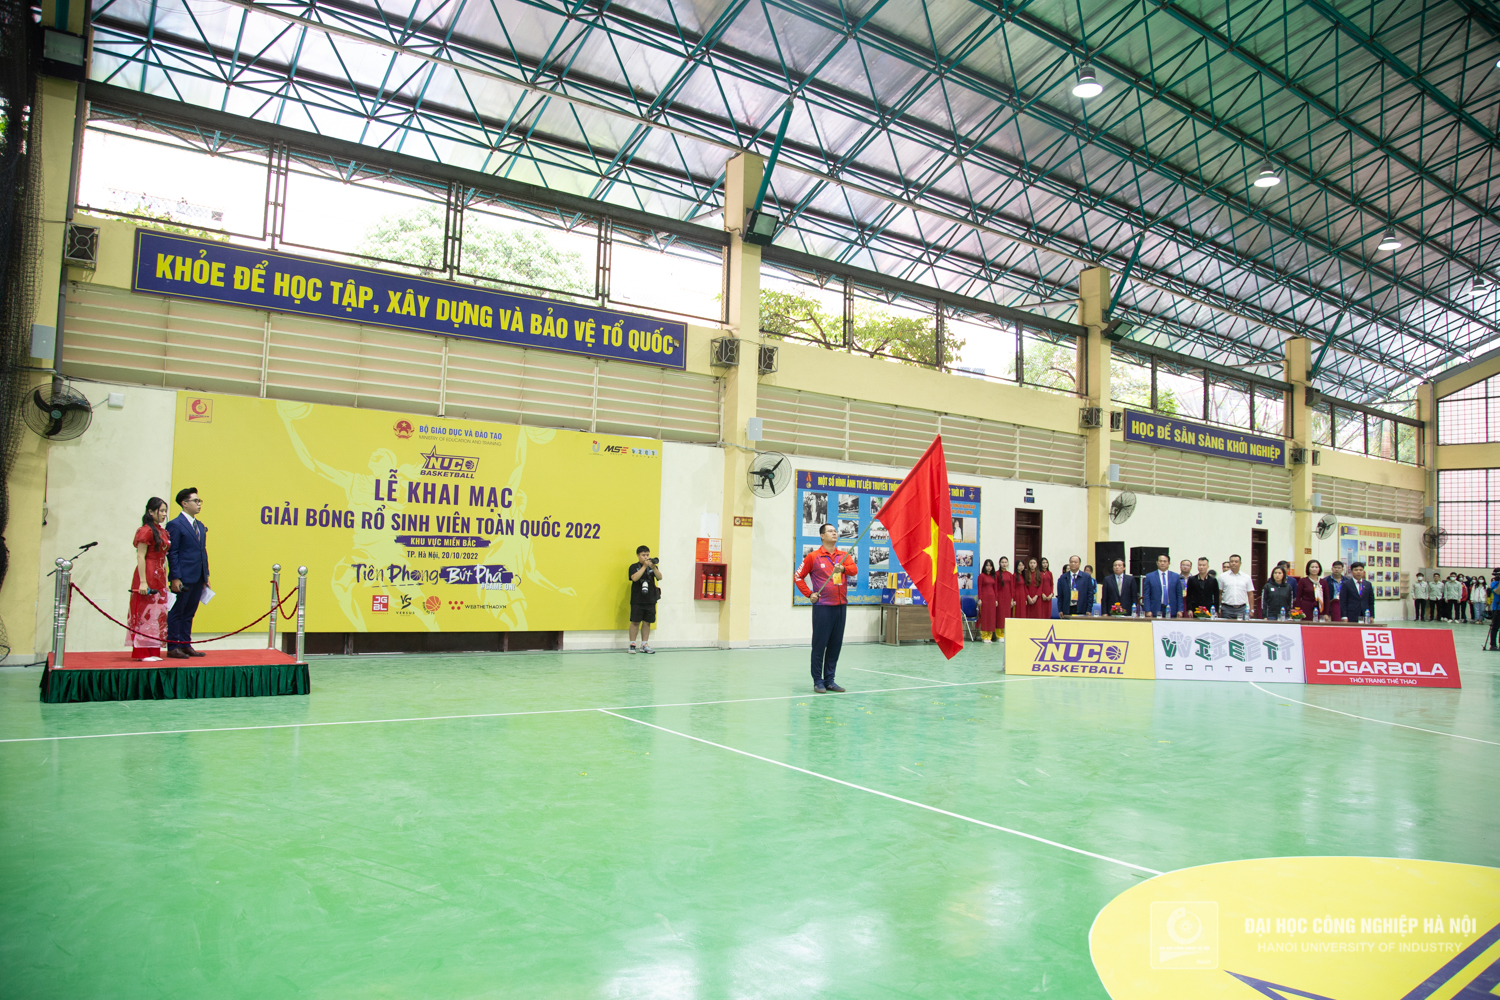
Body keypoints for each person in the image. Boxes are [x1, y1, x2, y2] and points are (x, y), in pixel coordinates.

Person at [795, 523, 857, 693]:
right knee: (819, 645)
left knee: (835, 645)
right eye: (830, 531)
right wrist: (809, 594)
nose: (834, 533)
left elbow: (854, 569)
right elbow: (798, 576)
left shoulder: (844, 556)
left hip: (840, 607)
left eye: (835, 531)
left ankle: (830, 680)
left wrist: (842, 568)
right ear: (822, 536)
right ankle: (818, 681)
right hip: (823, 607)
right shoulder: (813, 557)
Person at [165, 487, 209, 658]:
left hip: (198, 576)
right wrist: (175, 577)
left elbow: (202, 552)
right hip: (183, 577)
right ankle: (173, 645)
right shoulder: (175, 524)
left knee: (190, 612)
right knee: (177, 611)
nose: (199, 505)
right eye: (195, 501)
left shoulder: (200, 526)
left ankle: (185, 644)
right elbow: (172, 552)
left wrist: (206, 576)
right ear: (184, 504)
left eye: (200, 501)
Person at [128, 497, 171, 660]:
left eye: (165, 511)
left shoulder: (161, 531)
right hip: (148, 571)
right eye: (160, 511)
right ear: (150, 512)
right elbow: (140, 556)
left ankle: (153, 650)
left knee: (157, 612)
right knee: (144, 611)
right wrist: (143, 581)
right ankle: (141, 652)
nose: (163, 514)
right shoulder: (145, 530)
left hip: (160, 572)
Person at [627, 545, 662, 653]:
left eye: (647, 555)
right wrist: (643, 567)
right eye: (643, 555)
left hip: (650, 598)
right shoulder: (634, 567)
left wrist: (653, 567)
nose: (646, 557)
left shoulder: (652, 567)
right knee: (635, 622)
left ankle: (644, 644)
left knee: (647, 622)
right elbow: (634, 578)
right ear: (638, 556)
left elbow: (660, 577)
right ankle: (632, 644)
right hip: (637, 599)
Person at [1141, 552, 1182, 619]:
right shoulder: (1149, 576)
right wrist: (1147, 610)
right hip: (1155, 609)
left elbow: (1179, 594)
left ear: (1169, 563)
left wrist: (1180, 610)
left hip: (1172, 609)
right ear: (1157, 562)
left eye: (1165, 561)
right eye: (1160, 561)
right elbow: (1147, 595)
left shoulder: (1175, 576)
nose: (1162, 563)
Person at [1218, 554, 1254, 620]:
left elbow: (1250, 594)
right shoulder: (1222, 577)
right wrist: (1219, 607)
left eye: (1236, 562)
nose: (1233, 563)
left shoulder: (1246, 577)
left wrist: (1251, 609)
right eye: (1232, 561)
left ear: (1240, 563)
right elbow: (1220, 593)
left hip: (1241, 609)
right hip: (1227, 609)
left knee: (1241, 629)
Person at [976, 559, 1001, 642]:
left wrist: (996, 599)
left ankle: (990, 636)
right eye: (987, 565)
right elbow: (979, 588)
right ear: (984, 566)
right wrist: (980, 599)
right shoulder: (981, 576)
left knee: (991, 617)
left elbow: (996, 589)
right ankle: (984, 636)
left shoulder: (994, 576)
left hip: (992, 599)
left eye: (990, 566)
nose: (989, 567)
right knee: (985, 617)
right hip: (984, 599)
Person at [1483, 570, 1500, 651]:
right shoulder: (1494, 584)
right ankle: (1493, 645)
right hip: (1497, 608)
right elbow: (1498, 592)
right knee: (1495, 627)